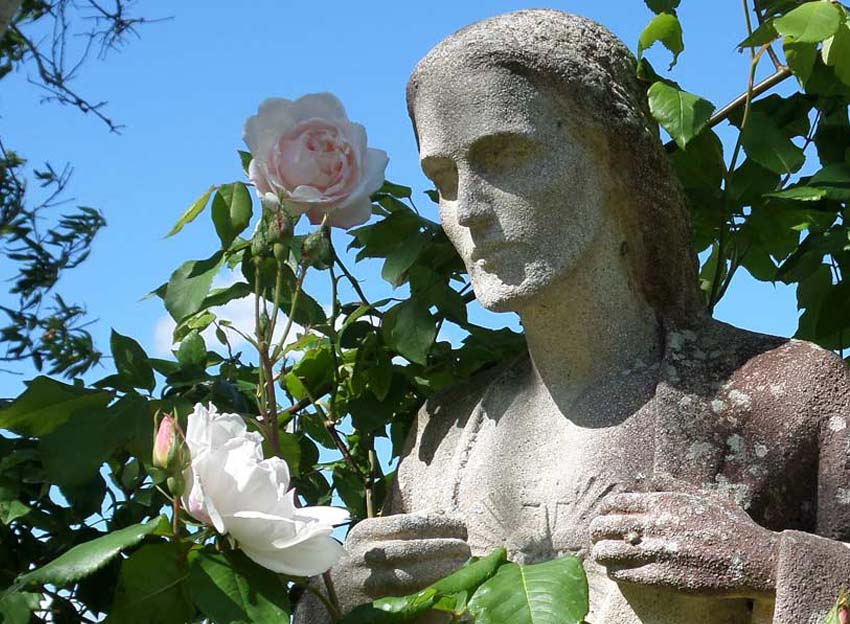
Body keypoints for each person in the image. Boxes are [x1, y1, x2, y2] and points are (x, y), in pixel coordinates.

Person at [298, 10, 850, 624]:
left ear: (614, 159)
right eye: (444, 179)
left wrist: (772, 565)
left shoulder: (791, 396)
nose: (469, 209)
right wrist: (332, 600)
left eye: (504, 155)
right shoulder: (441, 437)